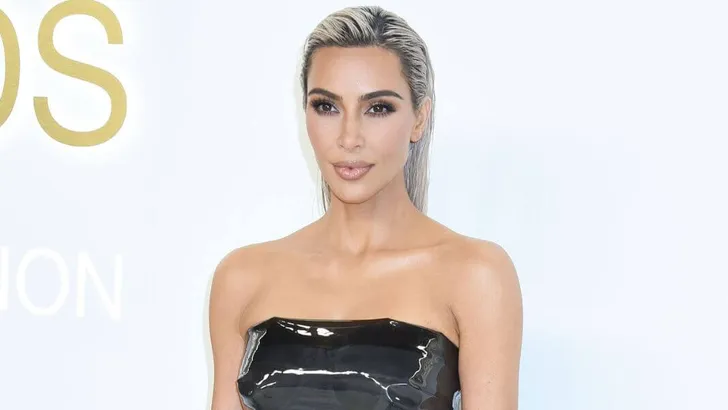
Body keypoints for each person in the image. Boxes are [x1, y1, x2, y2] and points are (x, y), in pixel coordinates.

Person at [208, 5, 523, 410]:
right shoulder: (242, 278)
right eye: (327, 106)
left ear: (419, 118)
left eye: (377, 108)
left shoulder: (475, 275)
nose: (349, 137)